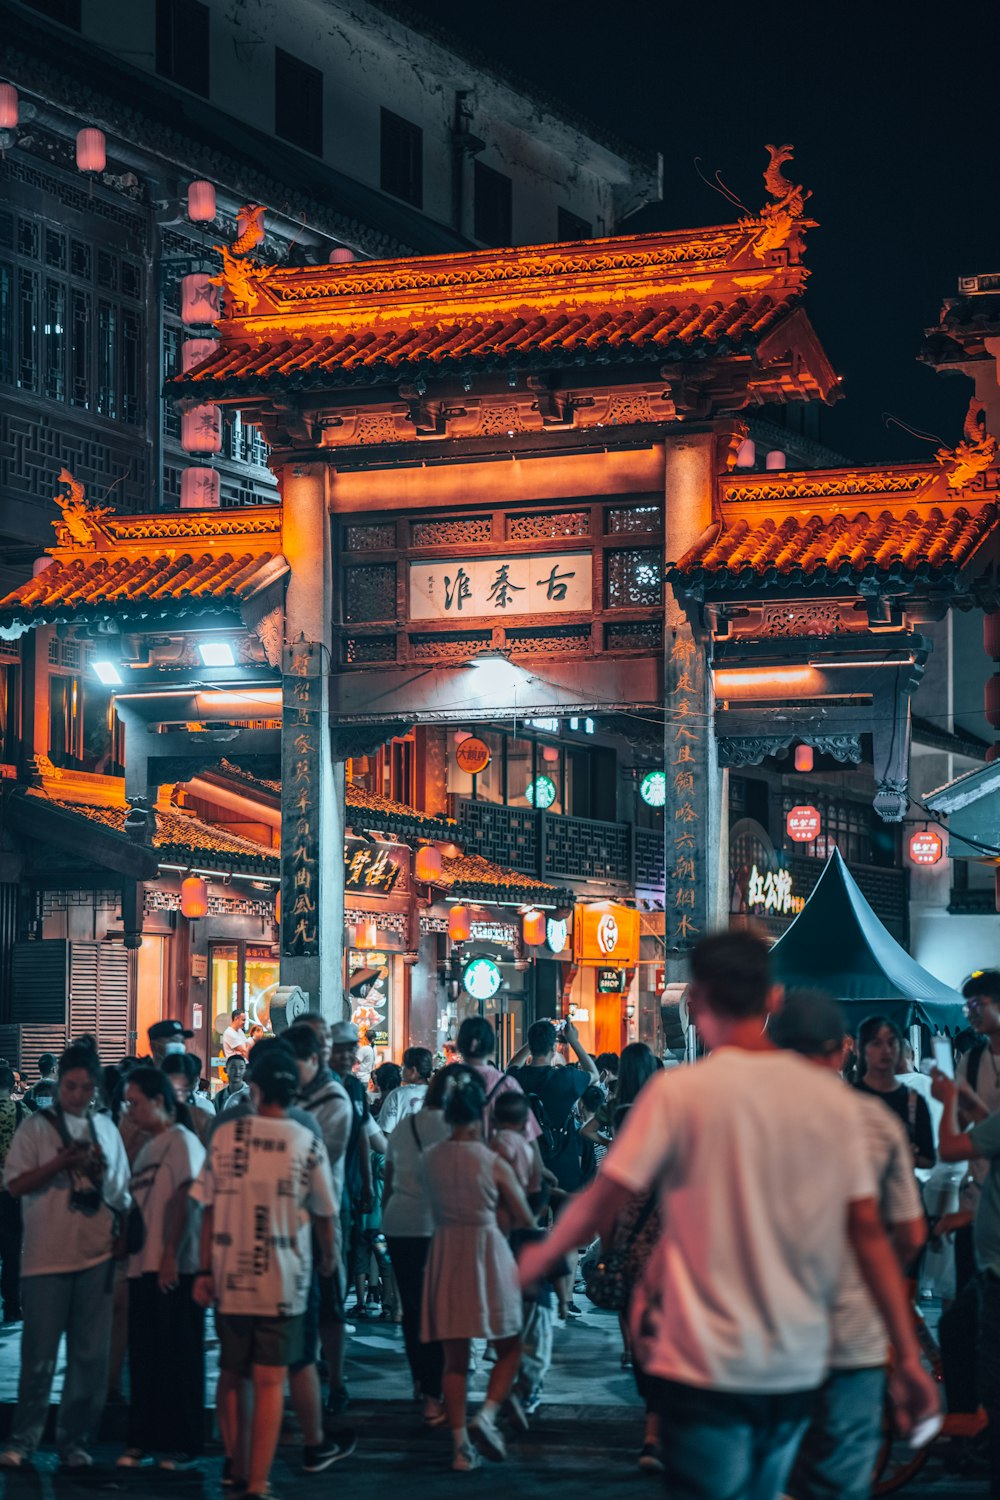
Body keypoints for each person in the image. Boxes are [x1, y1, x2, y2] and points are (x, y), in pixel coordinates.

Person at [517, 931, 939, 1500]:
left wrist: (539, 1255)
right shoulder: (844, 1109)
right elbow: (872, 1234)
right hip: (816, 1349)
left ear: (697, 1004)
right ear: (772, 1000)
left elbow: (604, 1198)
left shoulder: (679, 1094)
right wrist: (907, 1356)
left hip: (709, 1356)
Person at [772, 990, 927, 1500]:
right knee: (838, 1480)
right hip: (852, 1338)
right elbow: (909, 1234)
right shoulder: (876, 1124)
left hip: (764, 1338)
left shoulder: (742, 1124)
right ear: (842, 1051)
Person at [191, 1047, 351, 1497]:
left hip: (229, 1274)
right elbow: (324, 1213)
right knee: (269, 1380)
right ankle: (258, 1481)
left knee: (231, 1373)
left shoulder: (226, 1135)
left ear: (255, 1089)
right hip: (285, 1278)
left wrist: (204, 1268)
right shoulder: (305, 1139)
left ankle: (234, 1466)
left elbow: (206, 1208)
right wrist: (328, 1257)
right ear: (294, 1091)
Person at [0, 1041, 130, 1470]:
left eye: (85, 1088)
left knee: (88, 1359)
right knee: (39, 1357)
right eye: (69, 1087)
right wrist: (60, 1164)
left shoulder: (106, 1130)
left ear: (95, 1088)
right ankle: (23, 1439)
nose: (77, 1095)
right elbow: (15, 1185)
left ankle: (76, 1442)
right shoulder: (35, 1128)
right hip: (44, 1259)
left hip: (95, 1256)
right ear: (58, 1087)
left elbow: (121, 1195)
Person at [422, 1074, 535, 1471]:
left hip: (445, 1250)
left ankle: (459, 1448)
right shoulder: (491, 1161)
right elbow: (523, 1215)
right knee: (509, 1347)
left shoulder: (430, 1157)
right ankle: (486, 1415)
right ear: (479, 1118)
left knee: (454, 1360)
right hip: (488, 1250)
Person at [116, 1066, 206, 1471]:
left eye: (135, 1103)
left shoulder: (183, 1142)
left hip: (176, 1267)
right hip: (141, 1266)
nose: (129, 1111)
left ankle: (182, 1442)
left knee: (179, 1356)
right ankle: (143, 1439)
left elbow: (187, 1199)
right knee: (146, 1356)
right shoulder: (148, 1146)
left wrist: (170, 1253)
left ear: (158, 1101)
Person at [383, 1064, 474, 1428]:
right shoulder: (461, 1129)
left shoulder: (406, 1126)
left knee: (414, 1307)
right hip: (444, 1226)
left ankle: (424, 1383)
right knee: (447, 1307)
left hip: (401, 1224)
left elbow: (389, 1181)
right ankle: (443, 1385)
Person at [508, 1019, 598, 1193]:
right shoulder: (566, 1077)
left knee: (532, 1215)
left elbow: (511, 1066)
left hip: (529, 1158)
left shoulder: (519, 1077)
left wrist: (532, 1042)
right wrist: (573, 1041)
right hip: (564, 1157)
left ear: (531, 1047)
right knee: (563, 1216)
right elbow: (593, 1074)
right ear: (553, 1048)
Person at [853, 1014, 936, 1168]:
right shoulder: (848, 1098)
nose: (886, 1050)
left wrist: (907, 1157)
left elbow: (929, 1158)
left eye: (891, 1042)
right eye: (877, 1043)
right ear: (862, 1049)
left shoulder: (913, 1100)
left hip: (902, 1187)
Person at [456, 1016, 539, 1143]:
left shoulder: (444, 1080)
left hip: (450, 1158)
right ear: (491, 1046)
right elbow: (528, 1133)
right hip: (496, 1157)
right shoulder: (506, 1084)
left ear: (460, 1045)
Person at [0, 1066, 25, 1323]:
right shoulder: (22, 1112)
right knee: (11, 1250)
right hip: (11, 1190)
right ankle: (11, 1304)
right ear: (12, 1085)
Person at [377, 1048, 433, 1135]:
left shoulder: (398, 1095)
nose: (402, 1070)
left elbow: (386, 1132)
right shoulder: (438, 1093)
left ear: (413, 1071)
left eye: (404, 1066)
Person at [162, 1053, 214, 1146]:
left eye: (181, 1090)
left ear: (193, 1084)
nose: (175, 1095)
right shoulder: (155, 1113)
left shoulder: (203, 1117)